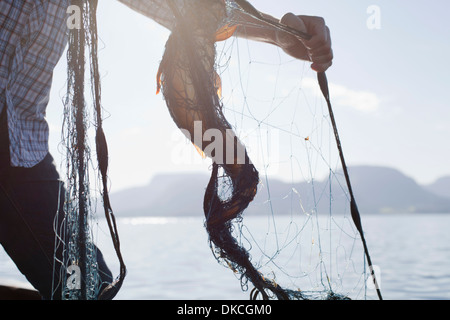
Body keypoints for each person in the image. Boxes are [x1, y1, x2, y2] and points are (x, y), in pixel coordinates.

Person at [0, 0, 333, 300]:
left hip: (19, 147)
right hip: (20, 145)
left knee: (86, 287)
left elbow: (196, 9)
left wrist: (281, 33)